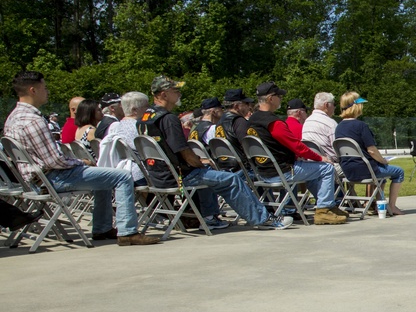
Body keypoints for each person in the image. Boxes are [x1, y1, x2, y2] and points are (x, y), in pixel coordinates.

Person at [4, 71, 158, 245]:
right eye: (44, 87)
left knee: (105, 176)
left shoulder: (13, 118)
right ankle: (128, 232)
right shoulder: (33, 120)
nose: (47, 91)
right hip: (52, 177)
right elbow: (53, 161)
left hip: (34, 180)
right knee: (122, 176)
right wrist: (81, 162)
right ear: (33, 90)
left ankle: (102, 228)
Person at [139, 76, 293, 230]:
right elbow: (183, 151)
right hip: (177, 178)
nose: (179, 93)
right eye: (175, 90)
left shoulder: (145, 117)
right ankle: (263, 219)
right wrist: (198, 162)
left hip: (156, 176)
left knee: (208, 173)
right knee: (231, 179)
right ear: (164, 94)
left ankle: (209, 218)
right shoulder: (168, 119)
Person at [248, 82, 346, 224]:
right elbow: (298, 147)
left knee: (313, 171)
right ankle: (324, 209)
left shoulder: (252, 120)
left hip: (262, 172)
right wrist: (320, 157)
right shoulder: (274, 123)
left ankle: (327, 205)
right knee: (326, 168)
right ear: (270, 98)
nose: (281, 99)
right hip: (283, 171)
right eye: (279, 96)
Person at [335, 91, 405, 216]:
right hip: (365, 170)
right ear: (357, 106)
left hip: (347, 170)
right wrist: (383, 160)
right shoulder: (361, 126)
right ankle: (392, 206)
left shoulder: (339, 127)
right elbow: (372, 151)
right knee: (399, 172)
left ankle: (378, 204)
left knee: (382, 175)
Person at [97, 91, 147, 184]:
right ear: (135, 110)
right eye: (146, 107)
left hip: (125, 171)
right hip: (141, 174)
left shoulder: (119, 126)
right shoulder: (138, 127)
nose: (149, 110)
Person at [301, 92, 339, 159]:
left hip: (311, 162)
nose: (335, 107)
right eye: (334, 104)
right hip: (330, 164)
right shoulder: (331, 123)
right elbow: (338, 150)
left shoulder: (307, 122)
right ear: (326, 105)